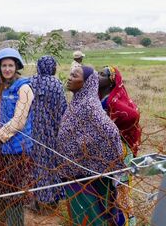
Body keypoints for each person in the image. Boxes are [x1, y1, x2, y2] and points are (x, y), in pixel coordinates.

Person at [57, 66, 125, 225]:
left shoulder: (89, 105)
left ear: (86, 82)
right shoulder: (78, 101)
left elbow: (110, 132)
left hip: (86, 173)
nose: (70, 78)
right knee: (80, 213)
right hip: (74, 170)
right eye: (70, 75)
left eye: (74, 76)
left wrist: (100, 155)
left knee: (90, 214)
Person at [0, 47, 34, 226]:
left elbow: (18, 120)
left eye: (11, 65)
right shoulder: (0, 86)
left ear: (16, 66)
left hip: (19, 146)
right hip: (4, 146)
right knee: (3, 185)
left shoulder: (24, 88)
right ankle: (5, 220)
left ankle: (16, 222)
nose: (7, 69)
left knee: (16, 190)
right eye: (4, 66)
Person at [98, 65, 141, 225]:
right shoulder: (101, 95)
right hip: (106, 150)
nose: (98, 76)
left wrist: (114, 128)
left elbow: (133, 115)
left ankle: (128, 222)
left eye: (102, 74)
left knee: (122, 188)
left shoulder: (113, 100)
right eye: (98, 73)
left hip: (120, 150)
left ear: (111, 81)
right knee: (110, 188)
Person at [29, 55, 67, 211]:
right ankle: (52, 199)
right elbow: (63, 108)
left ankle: (38, 200)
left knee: (36, 165)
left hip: (32, 130)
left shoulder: (30, 82)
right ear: (52, 68)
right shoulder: (57, 84)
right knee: (52, 164)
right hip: (51, 131)